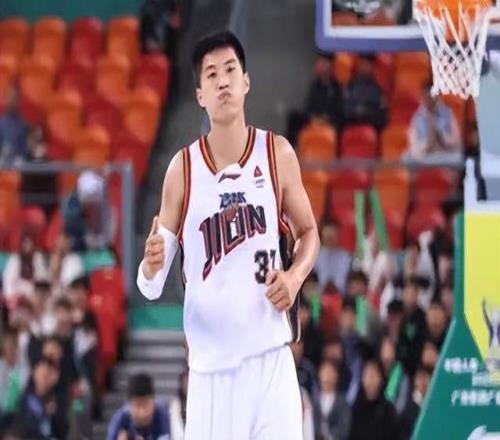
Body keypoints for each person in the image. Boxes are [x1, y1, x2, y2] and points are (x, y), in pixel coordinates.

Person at [137, 31, 320, 439]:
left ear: (246, 81)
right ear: (199, 94)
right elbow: (151, 285)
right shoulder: (182, 169)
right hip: (211, 373)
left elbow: (309, 232)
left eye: (230, 70)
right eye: (212, 74)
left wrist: (294, 277)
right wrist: (150, 265)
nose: (222, 82)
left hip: (271, 361)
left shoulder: (277, 154)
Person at [405, 83, 462, 161]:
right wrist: (428, 143)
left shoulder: (448, 114)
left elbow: (457, 141)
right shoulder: (417, 118)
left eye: (431, 96)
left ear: (437, 97)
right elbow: (414, 146)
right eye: (426, 96)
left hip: (445, 155)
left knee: (459, 157)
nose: (428, 99)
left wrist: (442, 138)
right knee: (406, 158)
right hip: (426, 157)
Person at [348, 359, 402, 440]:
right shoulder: (355, 408)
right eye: (367, 375)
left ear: (381, 379)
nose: (370, 379)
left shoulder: (388, 410)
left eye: (373, 375)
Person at [107, 373, 170, 440]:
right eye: (137, 406)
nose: (142, 412)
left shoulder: (163, 414)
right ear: (129, 404)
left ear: (153, 401)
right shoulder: (121, 418)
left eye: (146, 405)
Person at [14, 356, 60, 440]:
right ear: (34, 373)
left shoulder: (55, 399)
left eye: (48, 374)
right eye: (41, 373)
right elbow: (22, 425)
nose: (43, 377)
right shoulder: (26, 398)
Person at [2, 227, 50, 304]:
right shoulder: (15, 259)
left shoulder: (37, 258)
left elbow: (42, 279)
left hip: (33, 296)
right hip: (17, 296)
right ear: (21, 244)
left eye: (30, 243)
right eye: (26, 243)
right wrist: (12, 297)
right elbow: (8, 281)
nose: (28, 246)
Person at [342, 54, 387, 131]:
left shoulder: (376, 89)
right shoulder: (350, 85)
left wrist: (365, 112)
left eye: (367, 64)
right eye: (362, 63)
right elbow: (344, 108)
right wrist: (355, 111)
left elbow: (380, 115)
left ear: (372, 67)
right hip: (350, 126)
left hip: (369, 128)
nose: (363, 67)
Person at [397, 277, 428, 377]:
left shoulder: (420, 317)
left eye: (412, 293)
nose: (409, 296)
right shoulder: (398, 313)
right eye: (407, 292)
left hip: (415, 365)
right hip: (399, 363)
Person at [314, 220, 352, 295]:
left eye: (332, 237)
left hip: (342, 296)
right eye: (327, 237)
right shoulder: (315, 256)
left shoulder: (346, 257)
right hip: (318, 296)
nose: (329, 240)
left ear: (337, 236)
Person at [317, 359, 351, 440]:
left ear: (336, 376)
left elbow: (345, 427)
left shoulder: (343, 402)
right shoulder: (313, 399)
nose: (327, 377)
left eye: (330, 373)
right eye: (324, 372)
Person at [0, 85, 29, 165]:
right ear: (5, 99)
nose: (12, 101)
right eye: (10, 98)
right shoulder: (1, 123)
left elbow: (25, 151)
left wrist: (20, 159)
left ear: (18, 101)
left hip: (18, 166)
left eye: (14, 99)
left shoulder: (23, 125)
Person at [169, 370, 188, 440]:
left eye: (189, 383)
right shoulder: (175, 404)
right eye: (185, 384)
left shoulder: (199, 405)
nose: (187, 386)